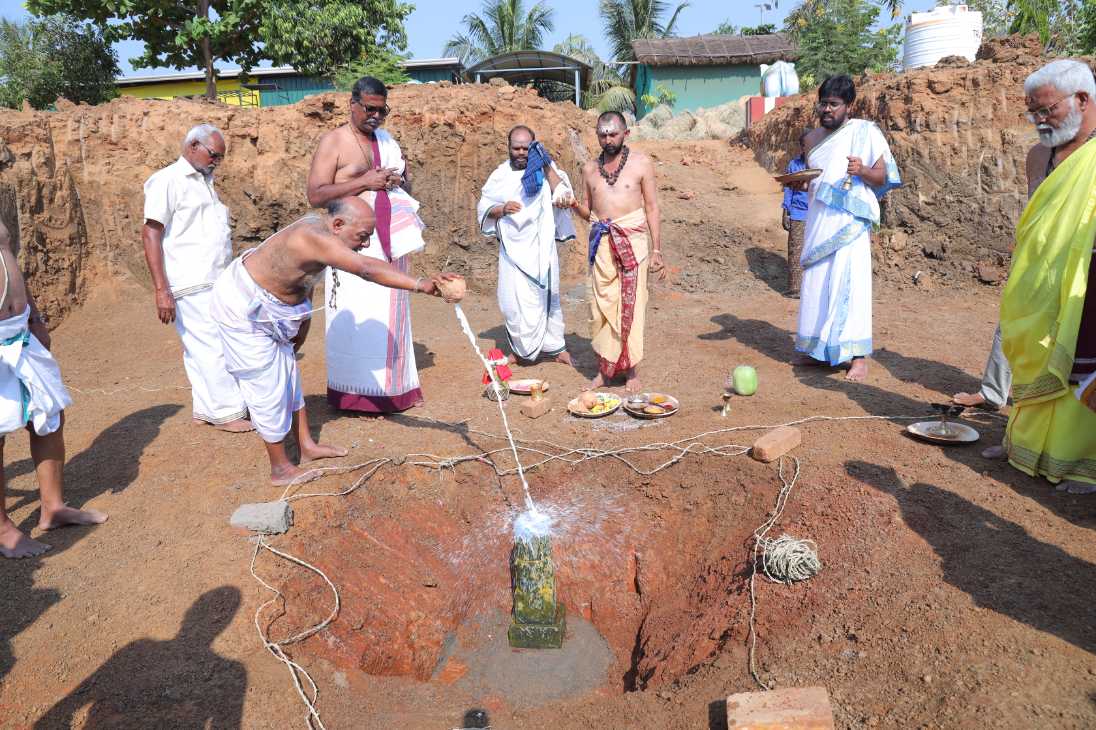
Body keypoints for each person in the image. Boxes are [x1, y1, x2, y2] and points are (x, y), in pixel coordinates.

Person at [210, 197, 462, 486]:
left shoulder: (324, 237)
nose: (365, 245)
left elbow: (305, 282)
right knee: (266, 386)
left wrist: (301, 326)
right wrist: (422, 285)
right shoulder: (313, 236)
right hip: (242, 309)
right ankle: (280, 468)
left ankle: (307, 447)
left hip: (275, 310)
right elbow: (366, 268)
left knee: (289, 376)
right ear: (338, 224)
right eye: (363, 236)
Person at [1000, 59, 1096, 494]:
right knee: (1029, 356)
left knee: (1078, 362)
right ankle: (1022, 444)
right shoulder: (1038, 155)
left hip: (1082, 284)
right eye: (1032, 113)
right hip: (1035, 281)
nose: (1039, 121)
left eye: (1047, 110)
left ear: (1082, 100)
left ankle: (1076, 463)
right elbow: (1036, 216)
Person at [306, 76, 428, 414]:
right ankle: (353, 395)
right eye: (370, 109)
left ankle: (394, 391)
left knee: (391, 315)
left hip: (388, 243)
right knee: (355, 316)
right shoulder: (335, 141)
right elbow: (315, 194)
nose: (376, 116)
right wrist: (364, 182)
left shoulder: (386, 141)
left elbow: (408, 182)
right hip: (351, 245)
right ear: (353, 104)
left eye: (382, 110)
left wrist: (397, 180)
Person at [0, 222, 107, 558]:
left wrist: (35, 319)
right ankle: (2, 529)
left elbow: (9, 258)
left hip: (19, 331)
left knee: (49, 413)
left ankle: (53, 507)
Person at [142, 124, 251, 433]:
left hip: (213, 278)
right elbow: (151, 232)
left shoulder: (204, 181)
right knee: (212, 344)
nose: (217, 161)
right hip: (190, 280)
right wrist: (161, 289)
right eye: (213, 154)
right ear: (192, 146)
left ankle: (206, 408)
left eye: (220, 157)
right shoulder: (167, 181)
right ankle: (227, 412)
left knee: (198, 345)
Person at [793, 75, 901, 382]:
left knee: (851, 288)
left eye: (834, 104)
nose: (827, 109)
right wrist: (800, 184)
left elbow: (882, 177)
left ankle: (857, 358)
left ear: (849, 106)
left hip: (850, 224)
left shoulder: (865, 133)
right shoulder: (812, 139)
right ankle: (816, 350)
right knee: (817, 283)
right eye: (823, 103)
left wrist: (862, 170)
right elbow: (815, 180)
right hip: (819, 223)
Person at [569, 111, 666, 392]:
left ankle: (632, 370)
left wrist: (657, 249)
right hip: (602, 244)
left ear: (626, 134)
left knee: (632, 305)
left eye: (613, 133)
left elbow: (651, 207)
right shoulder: (589, 169)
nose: (608, 139)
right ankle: (605, 370)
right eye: (602, 134)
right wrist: (573, 205)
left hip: (633, 242)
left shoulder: (642, 163)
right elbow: (589, 212)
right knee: (600, 305)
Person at [477, 125, 577, 366]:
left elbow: (563, 193)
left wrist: (544, 164)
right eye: (516, 148)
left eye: (526, 147)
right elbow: (484, 207)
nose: (521, 152)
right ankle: (520, 350)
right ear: (508, 148)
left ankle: (555, 347)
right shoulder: (500, 175)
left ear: (533, 146)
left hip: (542, 248)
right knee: (513, 301)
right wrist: (502, 208)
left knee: (548, 297)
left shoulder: (546, 171)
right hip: (513, 250)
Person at [780, 131, 811, 297]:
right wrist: (786, 211)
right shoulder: (794, 165)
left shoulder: (822, 164)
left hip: (817, 214)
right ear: (802, 146)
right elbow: (788, 189)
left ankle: (813, 289)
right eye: (806, 144)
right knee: (795, 251)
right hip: (798, 213)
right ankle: (796, 289)